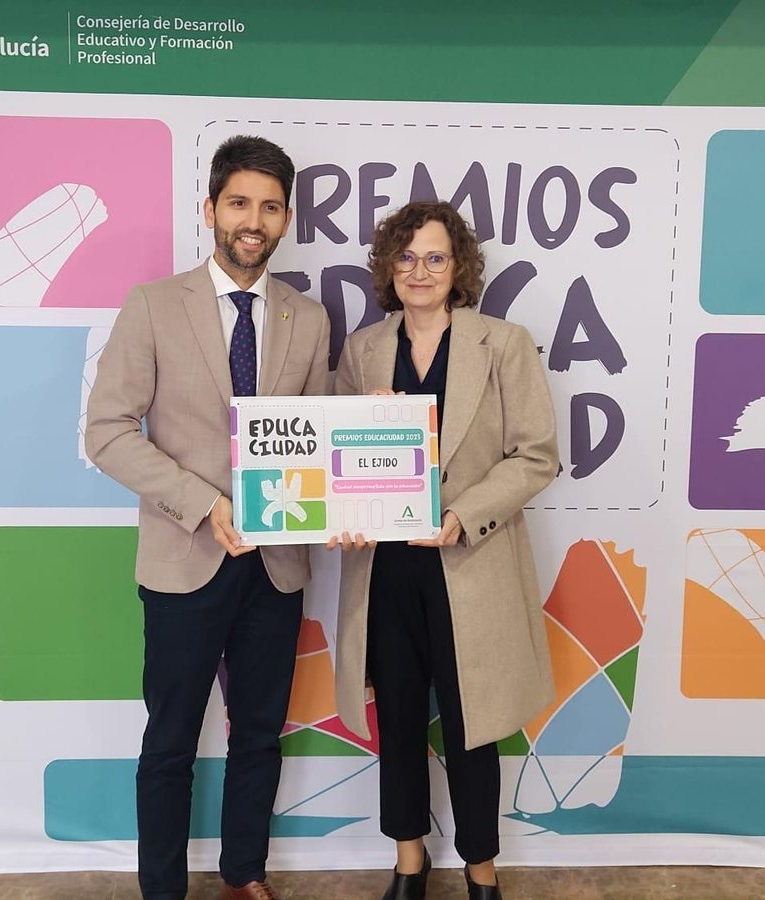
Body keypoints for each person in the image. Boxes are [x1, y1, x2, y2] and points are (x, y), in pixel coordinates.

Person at [85, 135, 332, 900]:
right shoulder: (155, 306)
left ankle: (244, 874)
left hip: (277, 565)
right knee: (170, 742)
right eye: (239, 203)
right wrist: (204, 504)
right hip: (184, 558)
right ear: (211, 210)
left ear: (286, 218)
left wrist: (362, 475)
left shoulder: (309, 318)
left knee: (259, 735)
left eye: (270, 206)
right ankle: (163, 890)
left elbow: (318, 438)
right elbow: (107, 432)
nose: (253, 221)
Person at [326, 200, 559, 900]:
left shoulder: (503, 343)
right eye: (406, 256)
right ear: (387, 266)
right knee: (397, 721)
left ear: (458, 267)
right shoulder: (363, 349)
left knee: (473, 725)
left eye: (435, 257)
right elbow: (338, 461)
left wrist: (462, 515)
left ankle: (481, 871)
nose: (419, 270)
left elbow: (536, 456)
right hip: (387, 568)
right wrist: (350, 494)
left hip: (469, 564)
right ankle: (408, 862)